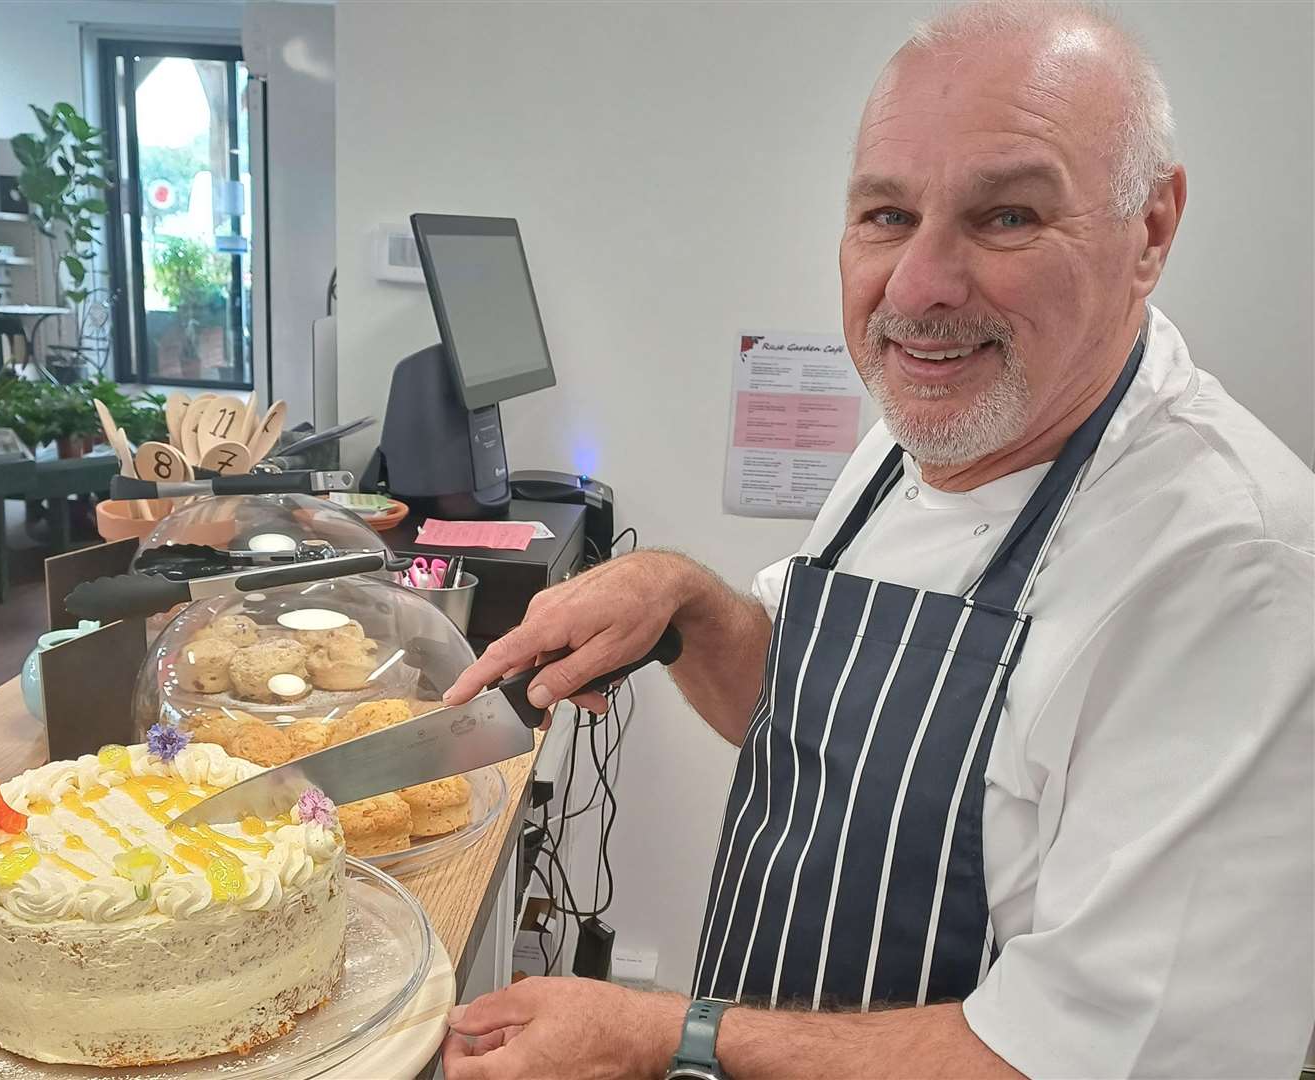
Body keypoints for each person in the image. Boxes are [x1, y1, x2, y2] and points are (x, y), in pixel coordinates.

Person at [440, 2, 1315, 1077]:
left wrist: (665, 1036)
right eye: (889, 216)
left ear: (1152, 228)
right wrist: (687, 607)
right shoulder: (937, 425)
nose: (920, 288)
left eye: (1006, 217)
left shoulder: (1232, 570)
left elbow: (1094, 1058)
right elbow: (824, 719)